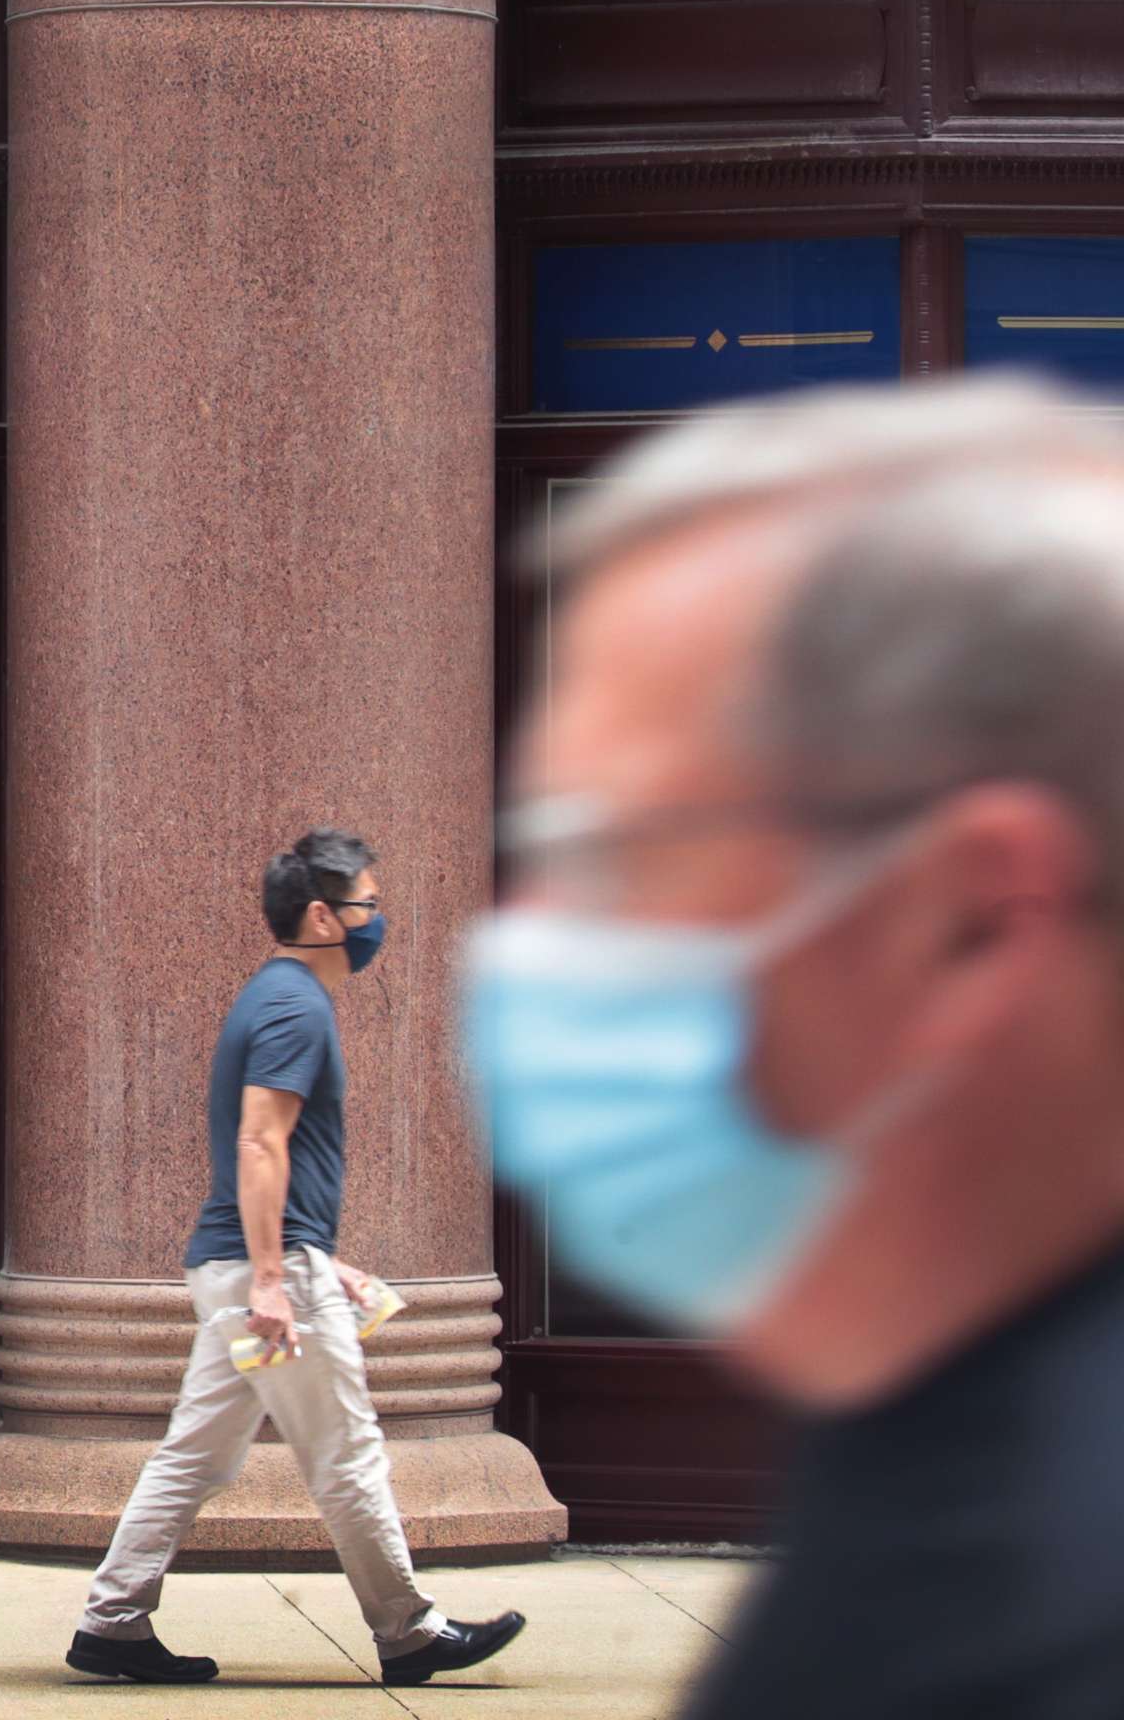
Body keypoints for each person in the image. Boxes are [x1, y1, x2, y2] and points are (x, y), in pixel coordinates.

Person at [462, 374, 1124, 1718]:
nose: (523, 939)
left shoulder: (1036, 1625)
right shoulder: (934, 1437)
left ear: (976, 917)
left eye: (608, 853)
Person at [69, 829, 526, 1688]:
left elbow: (276, 1152)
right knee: (346, 1451)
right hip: (262, 1279)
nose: (375, 922)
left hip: (241, 1268)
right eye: (367, 905)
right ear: (322, 915)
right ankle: (410, 1630)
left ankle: (112, 1623)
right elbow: (259, 1142)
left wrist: (320, 1256)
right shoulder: (293, 1007)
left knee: (194, 1457)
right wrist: (279, 1279)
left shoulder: (280, 997)